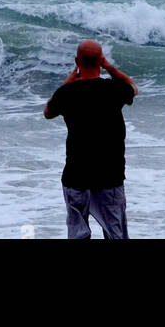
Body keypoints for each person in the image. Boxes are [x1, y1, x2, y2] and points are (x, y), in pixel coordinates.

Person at [43, 39, 138, 239]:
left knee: (77, 235)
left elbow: (48, 112)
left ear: (77, 61)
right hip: (109, 175)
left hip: (75, 176)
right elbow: (132, 87)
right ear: (100, 61)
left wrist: (67, 81)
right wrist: (109, 67)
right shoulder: (114, 89)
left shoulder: (66, 93)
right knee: (115, 234)